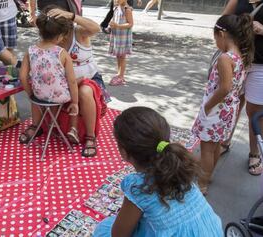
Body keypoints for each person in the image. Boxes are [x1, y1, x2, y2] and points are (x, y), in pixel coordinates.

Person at [93, 106, 223, 237]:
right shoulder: (179, 166)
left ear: (123, 152)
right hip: (212, 232)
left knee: (103, 229)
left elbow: (118, 234)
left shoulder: (137, 186)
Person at [20, 6, 108, 157]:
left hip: (87, 79)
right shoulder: (49, 36)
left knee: (84, 91)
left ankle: (90, 137)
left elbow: (96, 28)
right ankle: (36, 126)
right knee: (39, 85)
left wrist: (72, 16)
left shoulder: (79, 32)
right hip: (63, 82)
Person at [191, 14, 254, 194]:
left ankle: (202, 183)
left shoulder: (225, 58)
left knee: (206, 149)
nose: (215, 43)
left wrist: (208, 105)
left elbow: (224, 87)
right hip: (228, 110)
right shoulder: (239, 56)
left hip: (217, 109)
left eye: (215, 38)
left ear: (222, 34)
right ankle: (208, 174)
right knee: (216, 145)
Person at [18, 12, 79, 144]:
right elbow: (72, 81)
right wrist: (75, 102)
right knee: (80, 81)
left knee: (44, 89)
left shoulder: (30, 50)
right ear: (58, 36)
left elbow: (22, 77)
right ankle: (68, 127)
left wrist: (31, 94)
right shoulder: (62, 53)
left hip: (39, 96)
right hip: (60, 96)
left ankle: (38, 125)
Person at [221, 0, 263, 175]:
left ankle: (254, 152)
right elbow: (222, 22)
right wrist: (239, 24)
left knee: (255, 111)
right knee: (233, 102)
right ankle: (225, 140)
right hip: (237, 60)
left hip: (261, 64)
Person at [108, 0, 133, 85]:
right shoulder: (116, 8)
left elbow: (130, 24)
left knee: (122, 57)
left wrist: (118, 26)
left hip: (123, 37)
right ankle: (119, 73)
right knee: (118, 56)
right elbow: (114, 19)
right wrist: (110, 25)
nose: (116, 0)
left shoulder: (127, 9)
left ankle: (121, 77)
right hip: (117, 36)